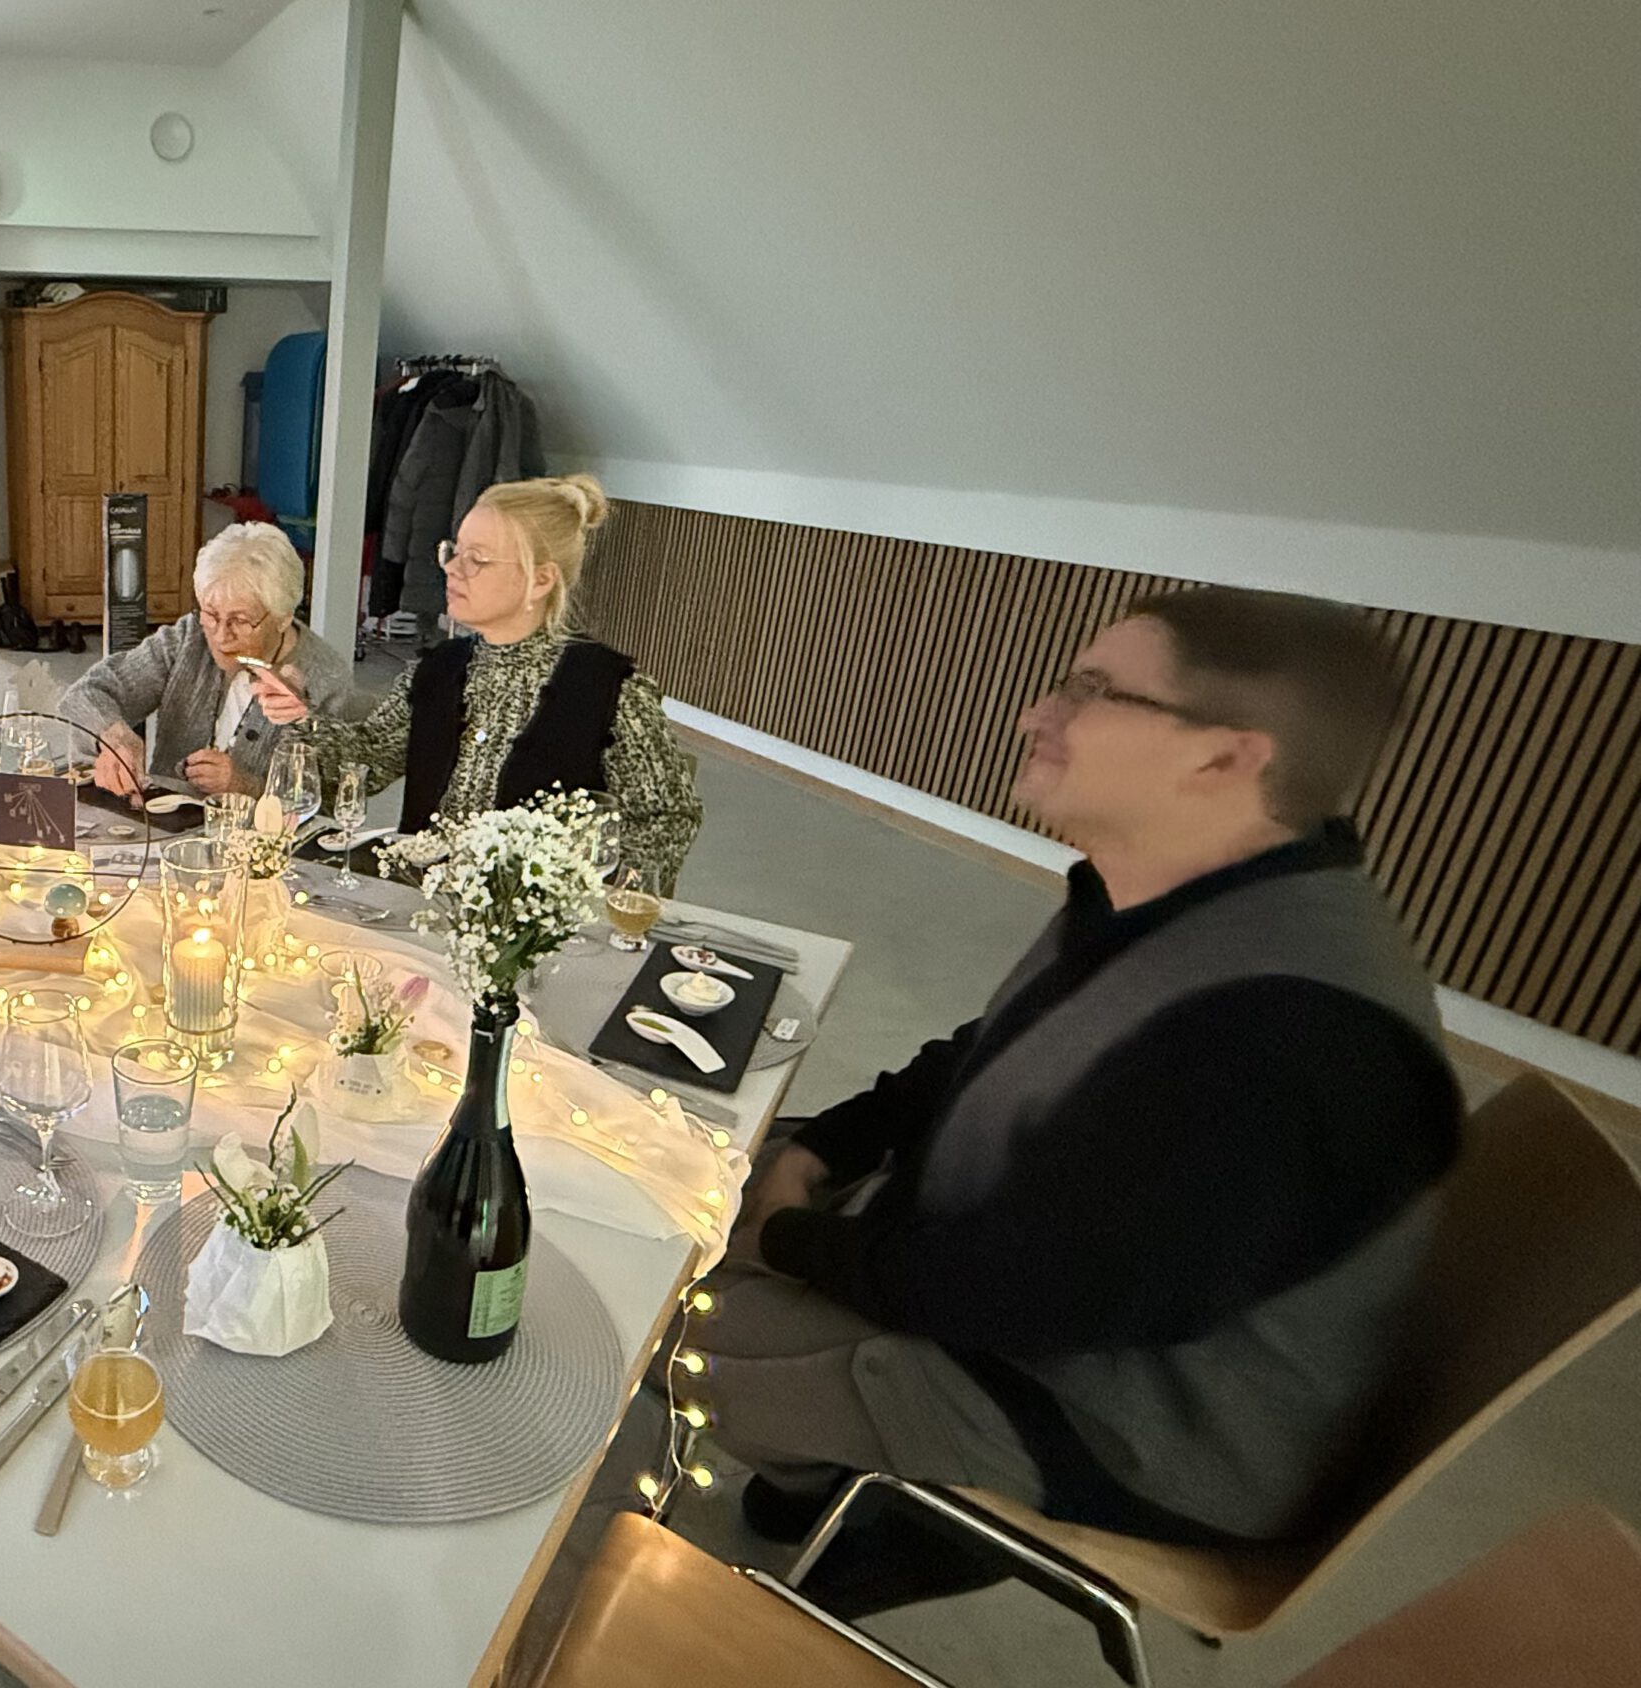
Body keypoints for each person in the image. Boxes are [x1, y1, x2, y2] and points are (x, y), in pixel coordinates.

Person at [700, 587, 1459, 1582]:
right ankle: (815, 1471)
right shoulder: (1169, 885)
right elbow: (993, 1048)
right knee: (682, 1161)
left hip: (1125, 1419)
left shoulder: (1284, 1042)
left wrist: (787, 1238)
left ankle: (865, 1532)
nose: (1035, 713)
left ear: (1224, 759)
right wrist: (823, 1144)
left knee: (650, 1316)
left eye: (1094, 690)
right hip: (1043, 1278)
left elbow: (1021, 1295)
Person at [254, 474, 701, 889]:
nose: (452, 568)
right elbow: (370, 757)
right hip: (419, 901)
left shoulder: (609, 690)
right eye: (454, 551)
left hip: (527, 927)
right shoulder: (437, 670)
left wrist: (590, 899)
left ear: (540, 580)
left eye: (478, 560)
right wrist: (300, 718)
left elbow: (666, 818)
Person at [56, 522, 352, 798]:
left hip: (260, 836)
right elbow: (88, 692)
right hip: (163, 823)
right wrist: (116, 736)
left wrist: (245, 786)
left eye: (240, 620)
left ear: (282, 618)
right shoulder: (189, 637)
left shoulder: (326, 678)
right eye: (211, 614)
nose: (221, 635)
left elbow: (331, 797)